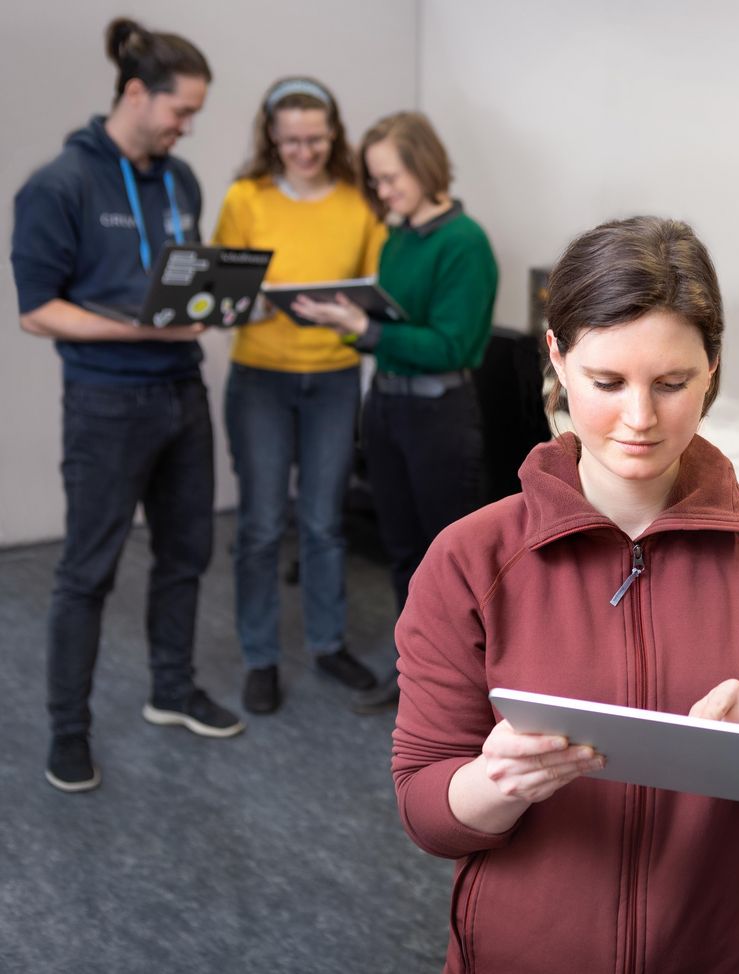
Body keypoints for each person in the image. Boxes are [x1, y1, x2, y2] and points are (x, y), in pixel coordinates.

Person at [390, 216, 739, 974]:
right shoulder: (469, 561)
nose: (641, 420)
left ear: (712, 366)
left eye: (672, 384)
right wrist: (494, 784)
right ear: (558, 358)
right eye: (607, 383)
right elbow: (427, 812)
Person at [11, 17, 243, 794]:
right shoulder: (59, 184)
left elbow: (186, 283)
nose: (188, 127)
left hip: (183, 392)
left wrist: (216, 305)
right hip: (106, 404)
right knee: (88, 572)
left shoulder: (180, 181)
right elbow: (36, 309)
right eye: (182, 111)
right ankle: (66, 733)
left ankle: (171, 692)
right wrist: (138, 327)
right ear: (137, 93)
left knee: (187, 553)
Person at [292, 111, 497, 714]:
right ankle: (421, 674)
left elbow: (454, 346)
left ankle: (466, 691)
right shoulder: (398, 235)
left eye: (389, 178)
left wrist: (366, 329)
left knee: (447, 563)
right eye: (375, 181)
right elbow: (394, 327)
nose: (382, 192)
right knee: (404, 551)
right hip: (385, 409)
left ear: (424, 165)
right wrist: (353, 324)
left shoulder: (465, 241)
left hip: (439, 416)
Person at [212, 77, 386, 714]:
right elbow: (222, 295)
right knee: (260, 525)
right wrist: (253, 304)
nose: (305, 152)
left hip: (333, 381)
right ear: (271, 138)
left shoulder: (358, 203)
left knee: (322, 522)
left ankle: (326, 643)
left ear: (334, 134)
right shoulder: (245, 197)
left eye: (316, 139)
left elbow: (375, 293)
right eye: (291, 141)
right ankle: (260, 656)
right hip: (260, 377)